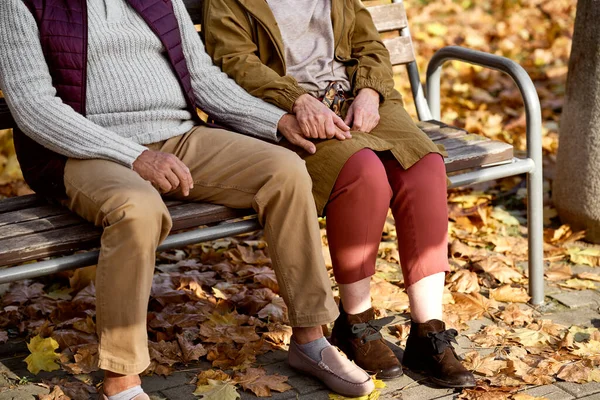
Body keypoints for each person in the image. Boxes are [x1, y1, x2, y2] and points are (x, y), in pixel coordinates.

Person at [0, 0, 377, 398]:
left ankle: (310, 339)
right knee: (138, 209)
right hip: (83, 151)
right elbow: (33, 105)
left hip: (178, 137)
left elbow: (202, 78)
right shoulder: (23, 3)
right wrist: (135, 156)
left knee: (284, 171)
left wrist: (275, 121)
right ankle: (122, 380)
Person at [203, 0, 477, 388]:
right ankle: (356, 323)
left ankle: (427, 331)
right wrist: (296, 100)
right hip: (286, 115)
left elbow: (370, 45)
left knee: (424, 166)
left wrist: (369, 90)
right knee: (362, 172)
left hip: (356, 101)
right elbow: (234, 62)